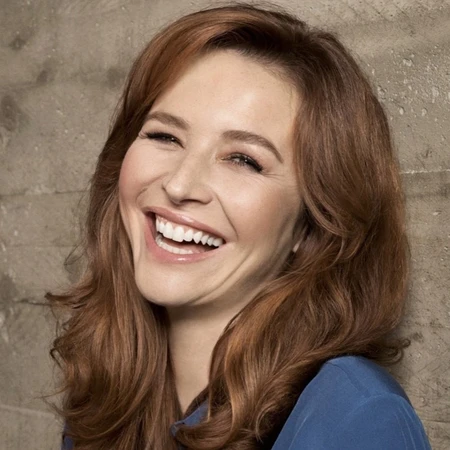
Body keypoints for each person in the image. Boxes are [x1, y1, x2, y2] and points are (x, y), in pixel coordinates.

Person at [49, 3, 432, 449]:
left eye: (244, 160)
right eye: (165, 136)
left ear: (311, 226)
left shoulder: (355, 417)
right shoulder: (107, 386)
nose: (179, 184)